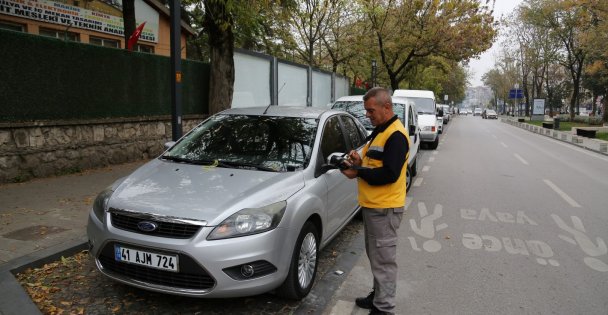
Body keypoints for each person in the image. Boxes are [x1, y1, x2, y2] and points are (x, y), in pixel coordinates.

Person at [340, 87, 410, 315]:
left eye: (371, 111)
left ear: (386, 107)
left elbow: (389, 174)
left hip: (385, 209)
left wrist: (358, 171)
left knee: (384, 262)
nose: (367, 115)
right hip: (373, 207)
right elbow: (374, 161)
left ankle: (384, 308)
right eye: (367, 111)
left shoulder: (396, 136)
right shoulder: (381, 130)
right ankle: (379, 297)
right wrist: (359, 159)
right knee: (376, 258)